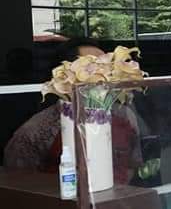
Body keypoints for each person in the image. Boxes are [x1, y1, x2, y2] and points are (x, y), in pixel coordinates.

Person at [3, 38, 142, 181]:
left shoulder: (124, 115)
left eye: (109, 67)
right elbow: (19, 182)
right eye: (93, 67)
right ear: (64, 75)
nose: (106, 75)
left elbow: (133, 165)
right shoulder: (36, 130)